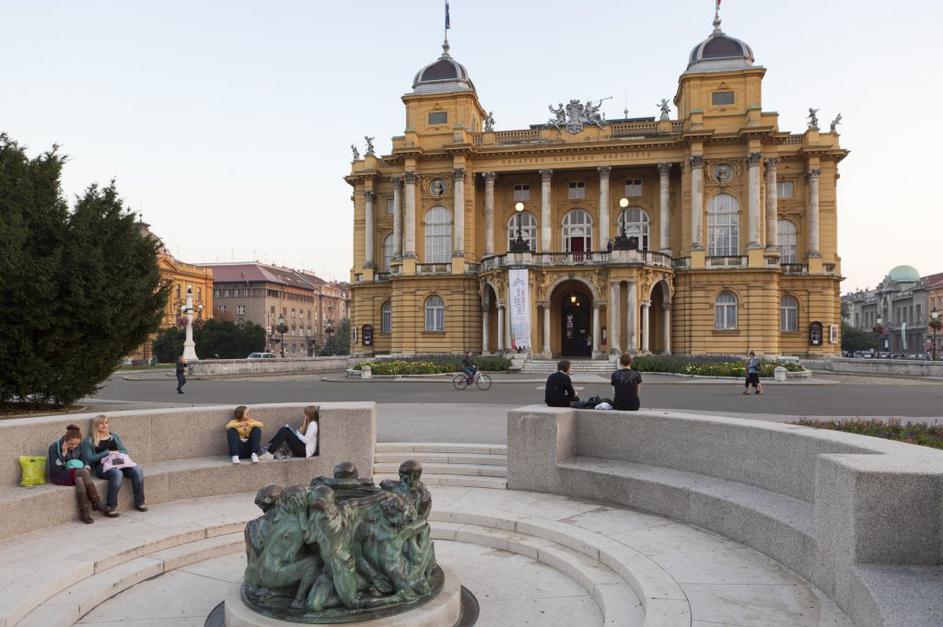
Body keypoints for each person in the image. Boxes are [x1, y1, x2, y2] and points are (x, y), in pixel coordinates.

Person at [82, 415, 146, 516]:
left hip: (119, 462)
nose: (104, 425)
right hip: (103, 467)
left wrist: (116, 452)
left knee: (137, 470)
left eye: (106, 423)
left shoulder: (114, 436)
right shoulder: (89, 440)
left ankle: (140, 502)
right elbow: (89, 459)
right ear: (95, 425)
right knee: (117, 473)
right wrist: (106, 453)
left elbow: (124, 450)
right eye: (101, 423)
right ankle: (111, 507)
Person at [48, 424, 103, 524]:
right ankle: (96, 502)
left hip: (73, 473)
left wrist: (87, 465)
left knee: (80, 479)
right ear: (65, 440)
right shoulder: (54, 447)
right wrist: (63, 454)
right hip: (59, 475)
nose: (74, 447)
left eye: (76, 444)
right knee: (83, 471)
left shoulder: (79, 445)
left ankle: (84, 513)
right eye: (71, 444)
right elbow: (55, 468)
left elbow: (84, 458)